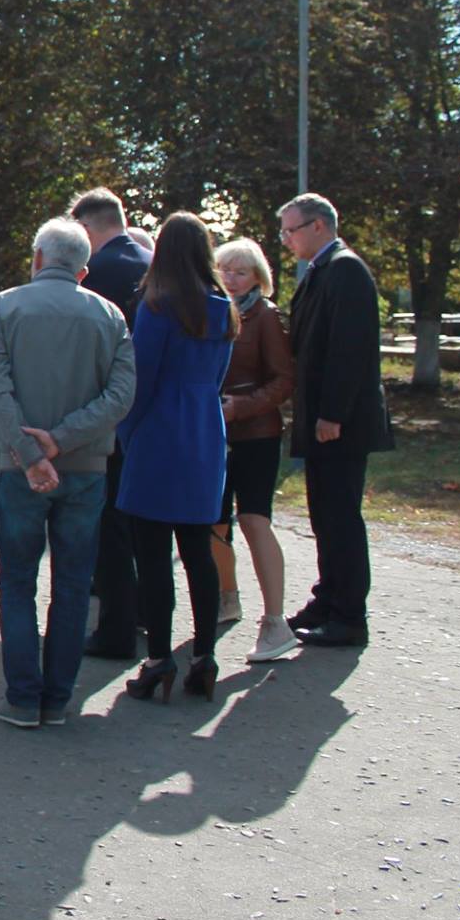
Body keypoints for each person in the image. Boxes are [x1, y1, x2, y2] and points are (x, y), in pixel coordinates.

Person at [0, 217, 135, 728]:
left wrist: (30, 452)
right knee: (72, 583)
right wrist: (64, 439)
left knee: (17, 581)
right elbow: (120, 395)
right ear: (84, 270)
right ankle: (58, 698)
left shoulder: (5, 306)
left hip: (22, 469)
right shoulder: (110, 316)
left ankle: (22, 695)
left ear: (38, 258)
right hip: (86, 468)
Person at [113, 213, 237, 702]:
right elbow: (220, 374)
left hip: (160, 428)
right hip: (205, 430)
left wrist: (127, 430)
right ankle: (204, 654)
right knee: (198, 552)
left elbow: (142, 377)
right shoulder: (223, 308)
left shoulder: (158, 306)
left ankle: (159, 657)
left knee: (153, 554)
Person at [277, 193, 394, 647]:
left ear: (319, 227)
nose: (287, 239)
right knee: (324, 514)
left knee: (340, 516)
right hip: (321, 418)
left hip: (339, 422)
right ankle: (328, 597)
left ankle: (349, 614)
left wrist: (331, 414)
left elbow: (349, 350)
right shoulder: (322, 270)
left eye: (292, 230)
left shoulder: (346, 270)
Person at [69, 188, 152, 662]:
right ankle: (142, 612)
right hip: (151, 413)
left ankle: (116, 628)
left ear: (87, 228)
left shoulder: (98, 273)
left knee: (111, 526)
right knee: (143, 523)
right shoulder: (151, 260)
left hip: (109, 413)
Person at [216, 237, 299, 663]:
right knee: (211, 520)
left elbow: (284, 381)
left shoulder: (265, 316)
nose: (230, 278)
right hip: (215, 432)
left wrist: (240, 408)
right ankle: (225, 598)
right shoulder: (211, 310)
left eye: (240, 271)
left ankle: (275, 620)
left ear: (257, 277)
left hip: (257, 434)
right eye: (224, 270)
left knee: (253, 519)